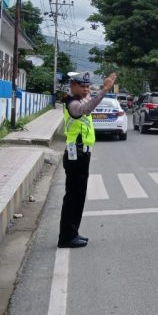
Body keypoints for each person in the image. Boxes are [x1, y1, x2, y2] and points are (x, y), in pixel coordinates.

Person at [58, 70, 117, 248]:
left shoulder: (79, 98)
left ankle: (72, 233)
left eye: (87, 86)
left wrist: (99, 89)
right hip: (76, 155)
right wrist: (105, 89)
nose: (85, 89)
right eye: (81, 86)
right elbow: (85, 109)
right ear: (72, 86)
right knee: (73, 198)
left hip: (81, 154)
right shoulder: (72, 103)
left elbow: (89, 101)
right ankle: (66, 238)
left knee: (78, 197)